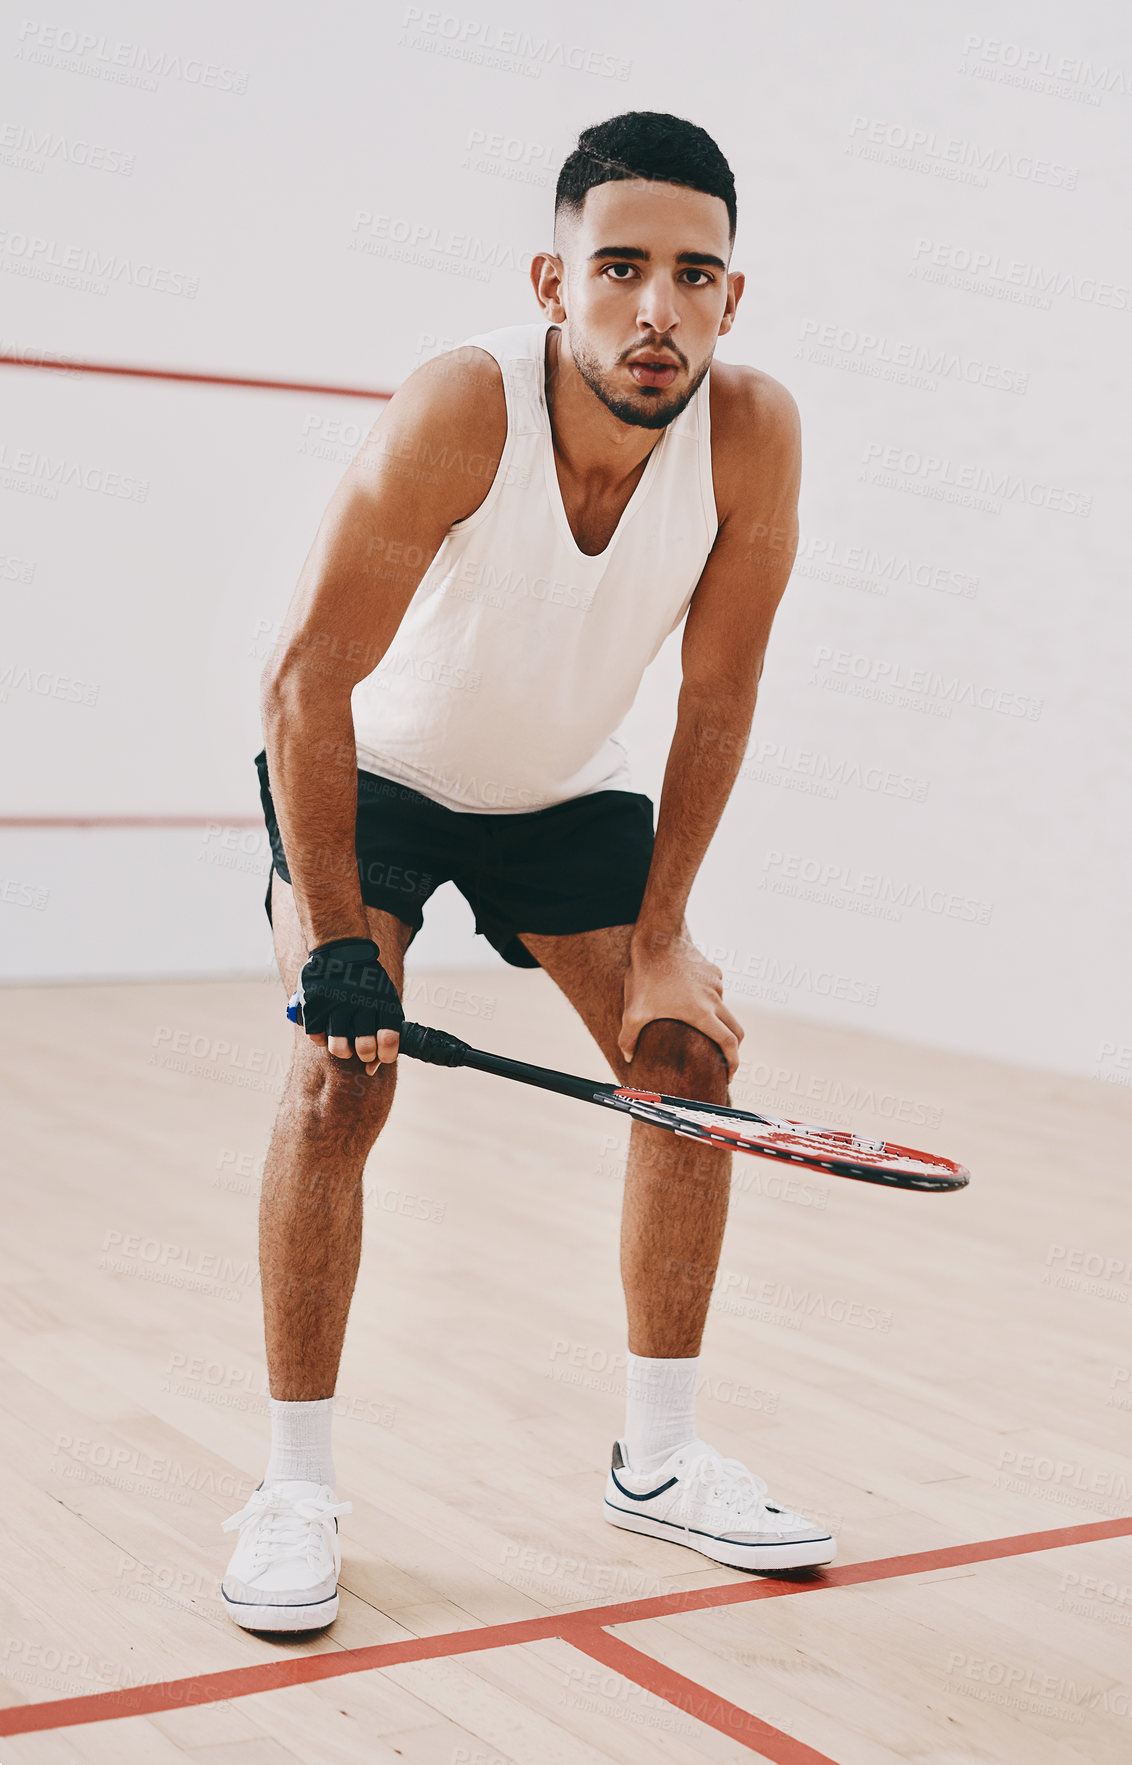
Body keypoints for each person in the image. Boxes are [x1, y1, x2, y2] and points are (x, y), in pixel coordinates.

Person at [220, 110, 834, 1634]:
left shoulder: (755, 432)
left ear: (732, 299)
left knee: (684, 1057)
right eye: (619, 267)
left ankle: (662, 1454)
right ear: (555, 280)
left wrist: (672, 928)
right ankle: (295, 1483)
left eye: (694, 275)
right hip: (377, 776)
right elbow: (305, 678)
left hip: (561, 793)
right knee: (337, 1080)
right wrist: (334, 948)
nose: (655, 308)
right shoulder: (461, 407)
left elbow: (717, 697)